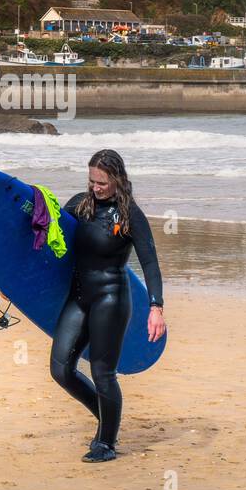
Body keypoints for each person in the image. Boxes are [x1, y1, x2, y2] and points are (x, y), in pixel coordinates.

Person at [50, 149, 165, 463]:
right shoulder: (79, 204)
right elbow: (52, 241)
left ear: (117, 180)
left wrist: (156, 307)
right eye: (91, 181)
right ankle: (105, 416)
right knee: (60, 369)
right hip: (79, 295)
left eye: (101, 182)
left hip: (111, 298)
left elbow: (150, 263)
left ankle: (107, 443)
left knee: (103, 373)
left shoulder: (129, 215)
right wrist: (11, 283)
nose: (95, 187)